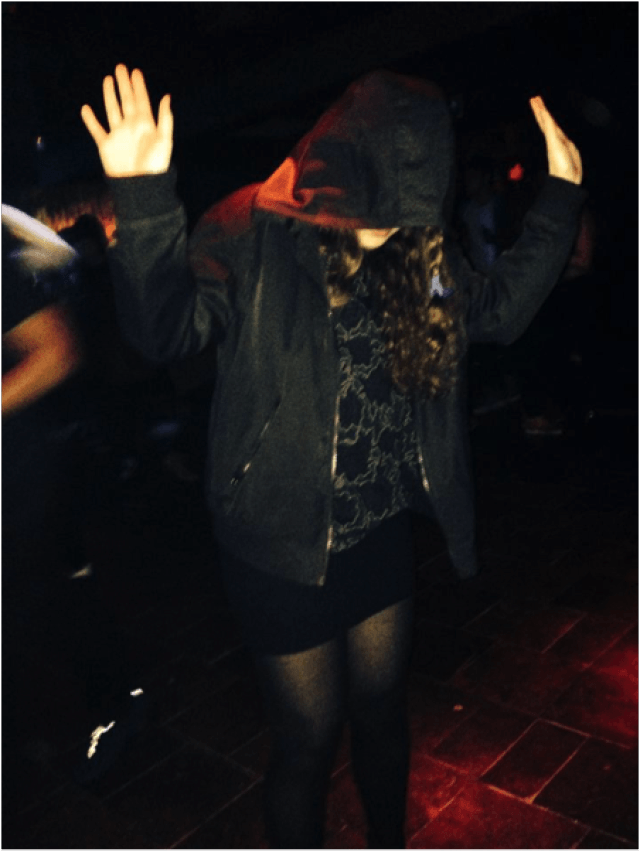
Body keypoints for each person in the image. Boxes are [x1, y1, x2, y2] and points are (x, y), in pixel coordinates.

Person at [81, 64, 584, 850]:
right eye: (378, 214)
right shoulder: (253, 228)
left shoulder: (416, 252)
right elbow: (164, 334)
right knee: (308, 743)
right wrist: (143, 196)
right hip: (278, 543)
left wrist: (561, 196)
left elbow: (499, 311)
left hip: (376, 529)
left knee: (382, 714)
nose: (391, 234)